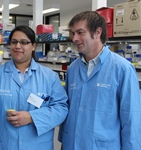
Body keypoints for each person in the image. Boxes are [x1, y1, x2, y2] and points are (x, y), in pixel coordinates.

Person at [0, 25, 68, 149]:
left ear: (33, 46)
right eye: (14, 42)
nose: (17, 46)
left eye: (24, 42)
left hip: (36, 145)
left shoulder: (49, 77)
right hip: (4, 144)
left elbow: (61, 108)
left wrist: (31, 117)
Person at [58, 11, 141, 150]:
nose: (74, 38)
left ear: (97, 32)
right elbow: (68, 111)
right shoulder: (72, 69)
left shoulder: (122, 69)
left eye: (80, 32)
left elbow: (131, 119)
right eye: (73, 33)